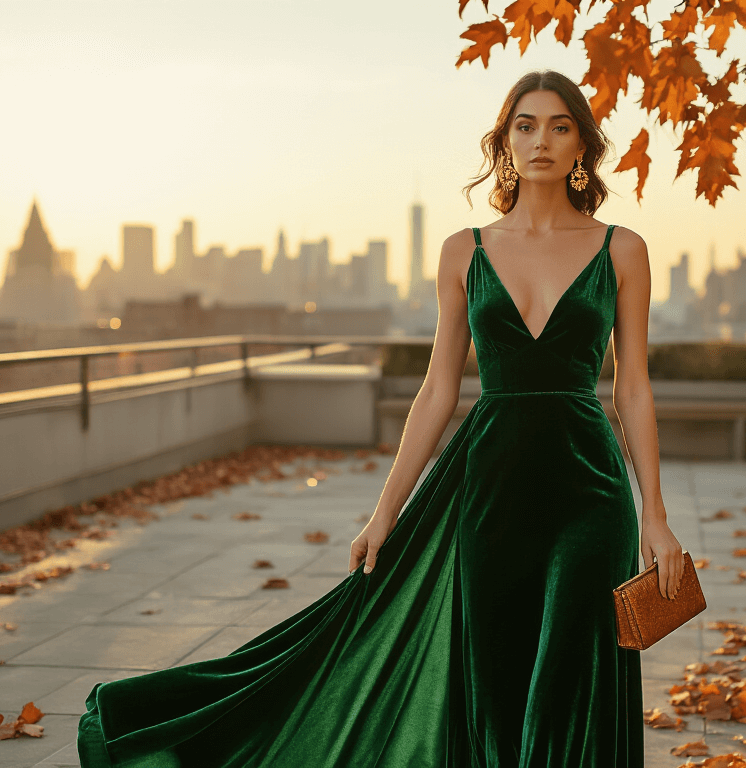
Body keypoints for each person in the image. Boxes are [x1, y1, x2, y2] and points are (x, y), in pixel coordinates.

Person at [77, 68, 685, 768]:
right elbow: (436, 391)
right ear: (504, 143)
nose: (540, 139)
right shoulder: (465, 251)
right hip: (488, 491)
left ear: (581, 145)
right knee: (489, 680)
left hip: (590, 494)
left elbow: (632, 389)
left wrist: (656, 516)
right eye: (525, 125)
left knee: (567, 682)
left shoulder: (623, 249)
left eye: (558, 125)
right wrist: (384, 511)